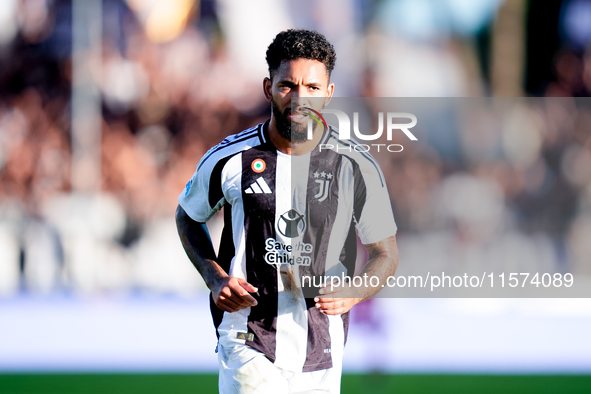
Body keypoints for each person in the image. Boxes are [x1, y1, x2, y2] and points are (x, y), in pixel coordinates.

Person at [176, 29, 398, 394]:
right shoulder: (229, 159)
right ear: (269, 88)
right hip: (247, 336)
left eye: (312, 87)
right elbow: (188, 216)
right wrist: (215, 278)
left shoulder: (355, 165)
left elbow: (385, 254)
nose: (299, 99)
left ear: (328, 93)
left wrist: (355, 291)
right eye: (287, 86)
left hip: (322, 344)